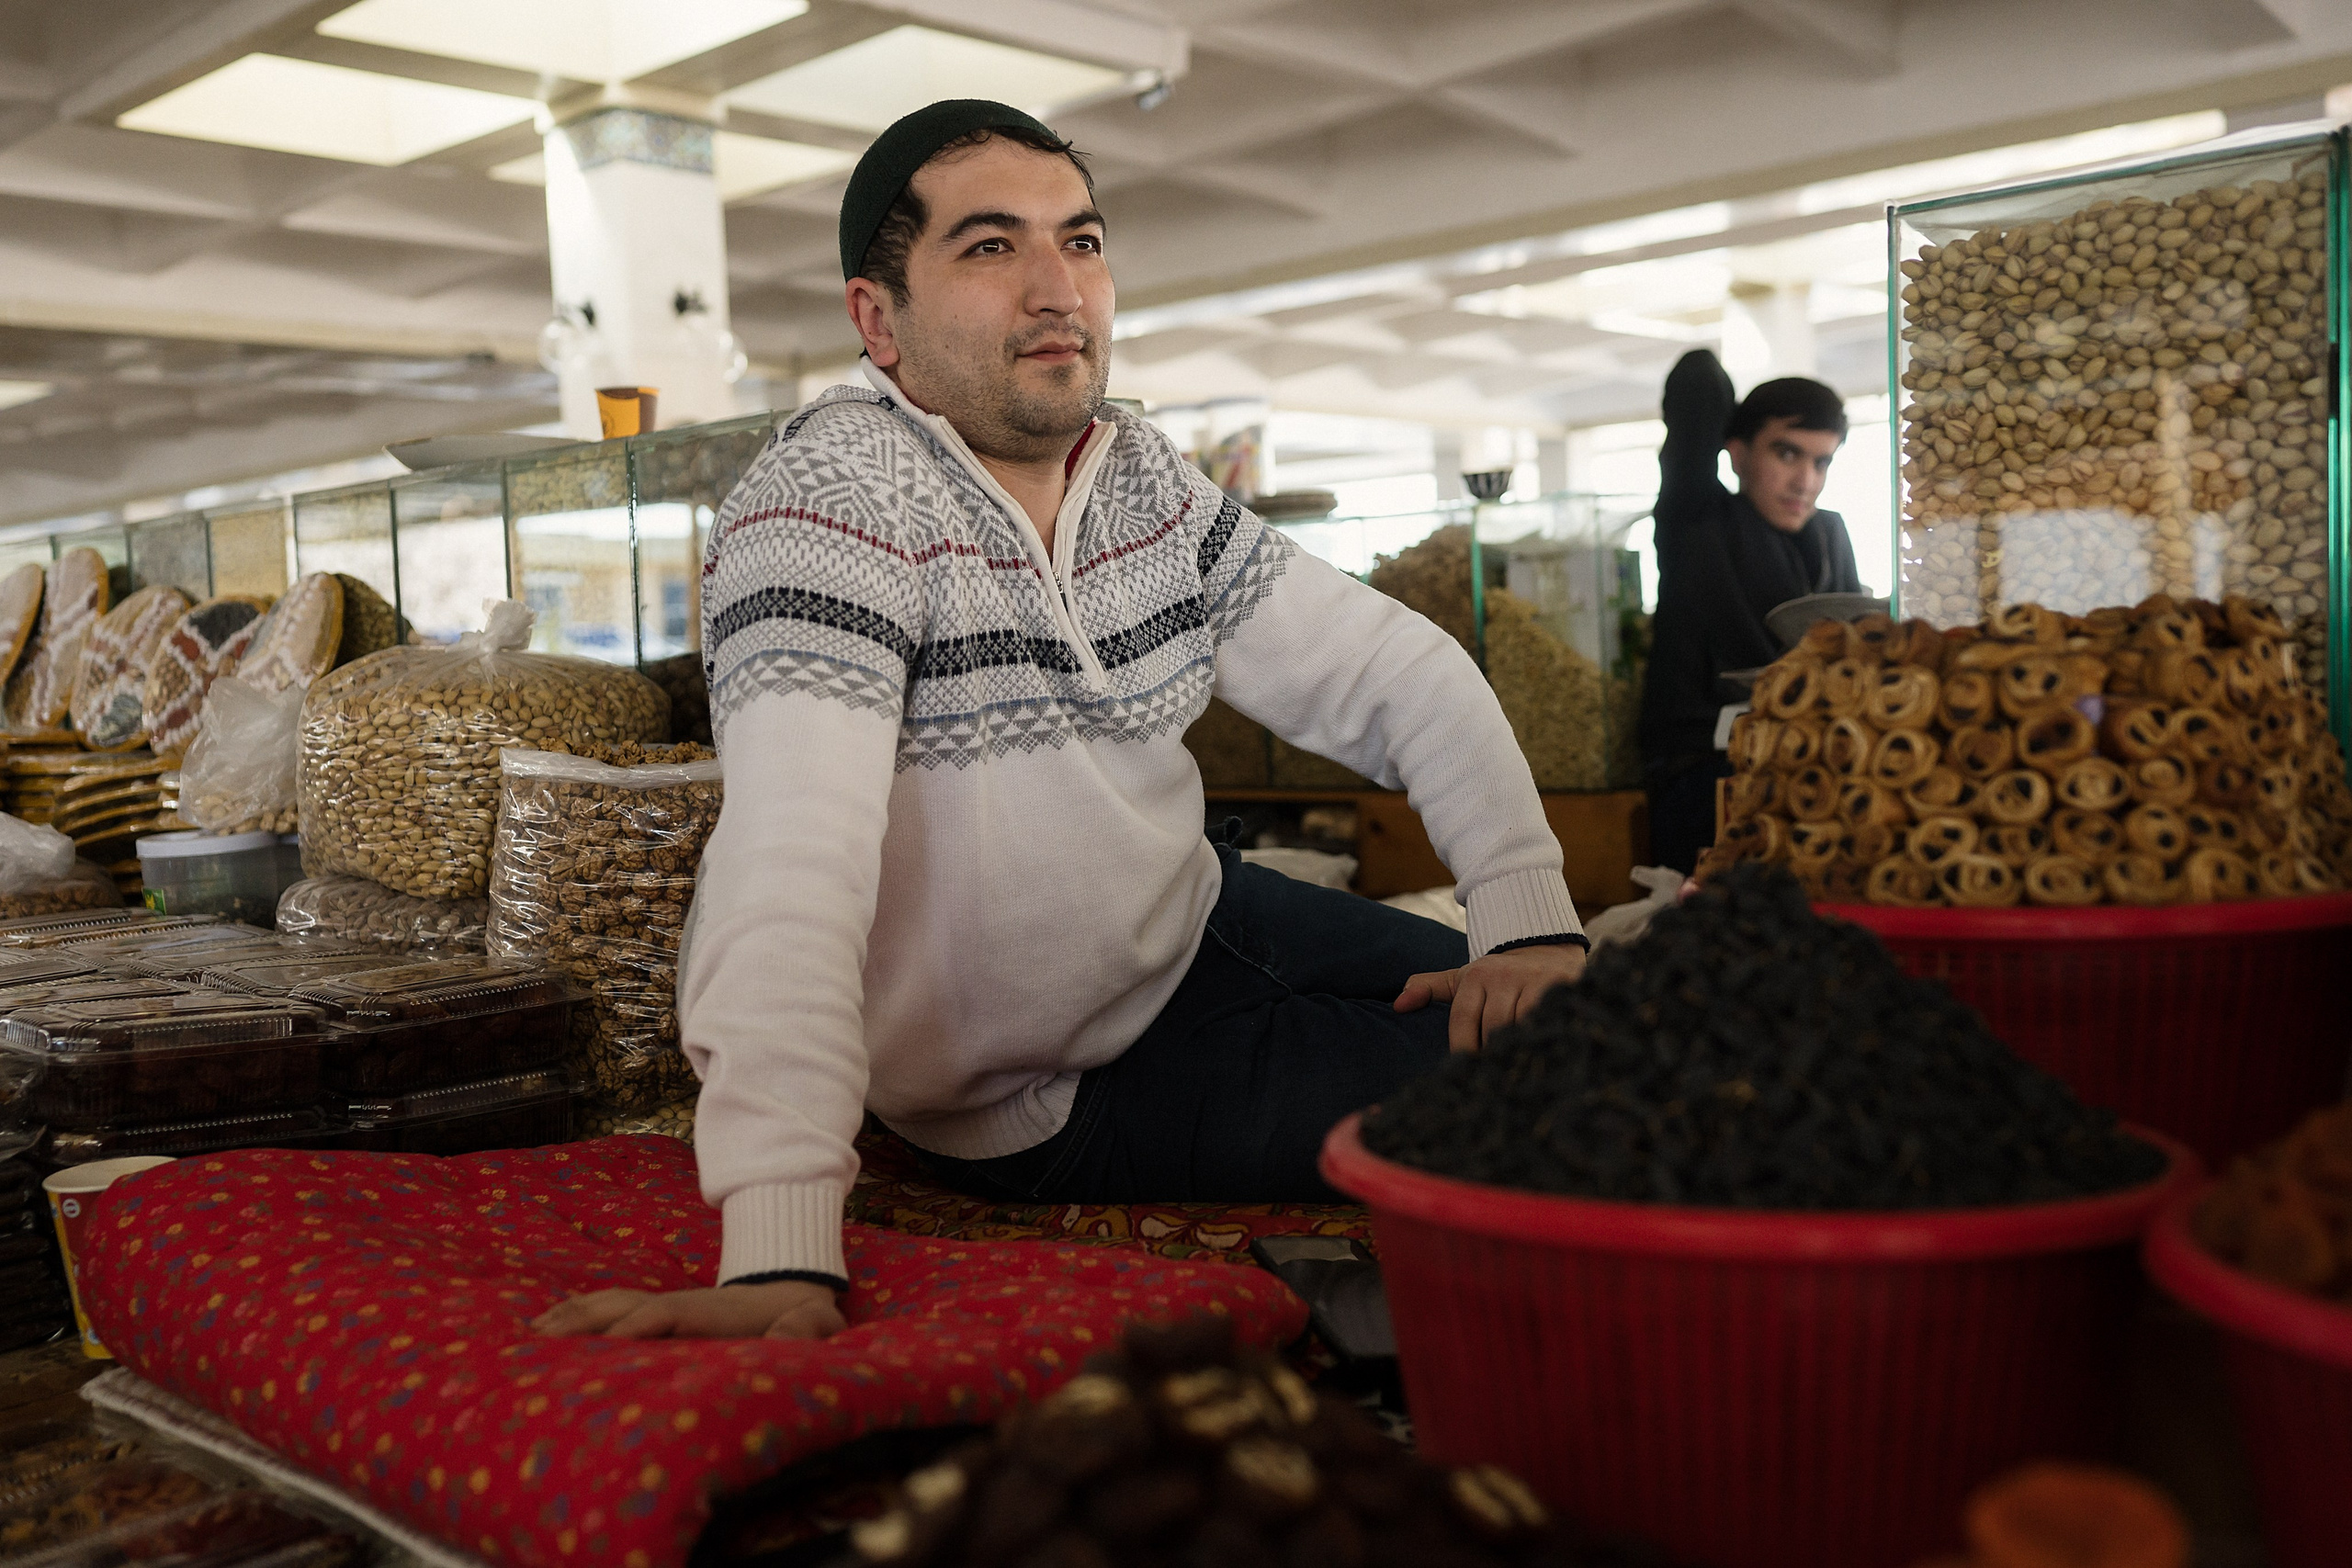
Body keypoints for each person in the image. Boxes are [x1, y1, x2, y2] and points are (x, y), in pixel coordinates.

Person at [532, 100, 1589, 1345]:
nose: (1056, 289)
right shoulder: (828, 501)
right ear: (877, 319)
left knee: (1603, 1013)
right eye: (990, 247)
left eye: (1079, 241)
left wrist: (1531, 923)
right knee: (1577, 1104)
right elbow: (790, 869)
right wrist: (779, 1248)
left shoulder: (1135, 470)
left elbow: (1398, 670)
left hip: (1198, 924)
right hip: (1050, 1083)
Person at [1637, 347, 1860, 874]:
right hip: (1700, 773)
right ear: (1735, 453)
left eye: (1820, 461)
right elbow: (1696, 377)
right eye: (1786, 454)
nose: (1804, 480)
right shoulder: (1697, 521)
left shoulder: (1830, 534)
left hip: (1805, 769)